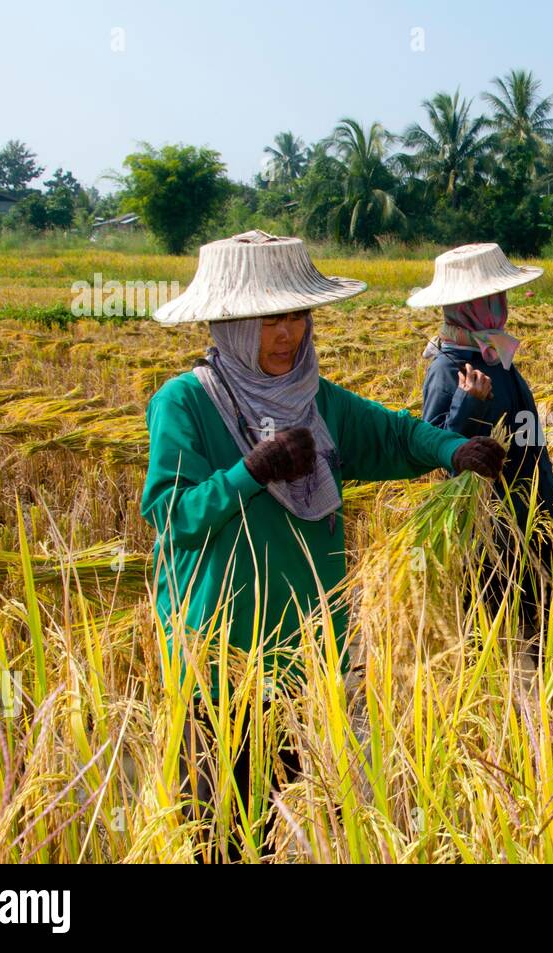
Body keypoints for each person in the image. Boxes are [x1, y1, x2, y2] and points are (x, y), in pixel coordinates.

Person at [143, 230, 505, 860]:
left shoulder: (317, 400)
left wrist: (453, 448)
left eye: (297, 315)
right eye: (268, 319)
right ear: (228, 323)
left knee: (295, 810)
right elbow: (171, 512)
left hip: (307, 648)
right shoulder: (185, 404)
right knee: (219, 827)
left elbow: (392, 436)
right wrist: (249, 473)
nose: (287, 334)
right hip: (221, 656)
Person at [414, 243, 553, 657]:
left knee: (536, 606)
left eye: (502, 297)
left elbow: (526, 427)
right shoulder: (447, 368)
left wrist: (546, 493)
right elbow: (433, 446)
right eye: (490, 299)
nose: (502, 305)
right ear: (464, 305)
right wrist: (467, 403)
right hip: (488, 516)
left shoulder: (495, 354)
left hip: (529, 502)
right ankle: (493, 699)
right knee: (492, 613)